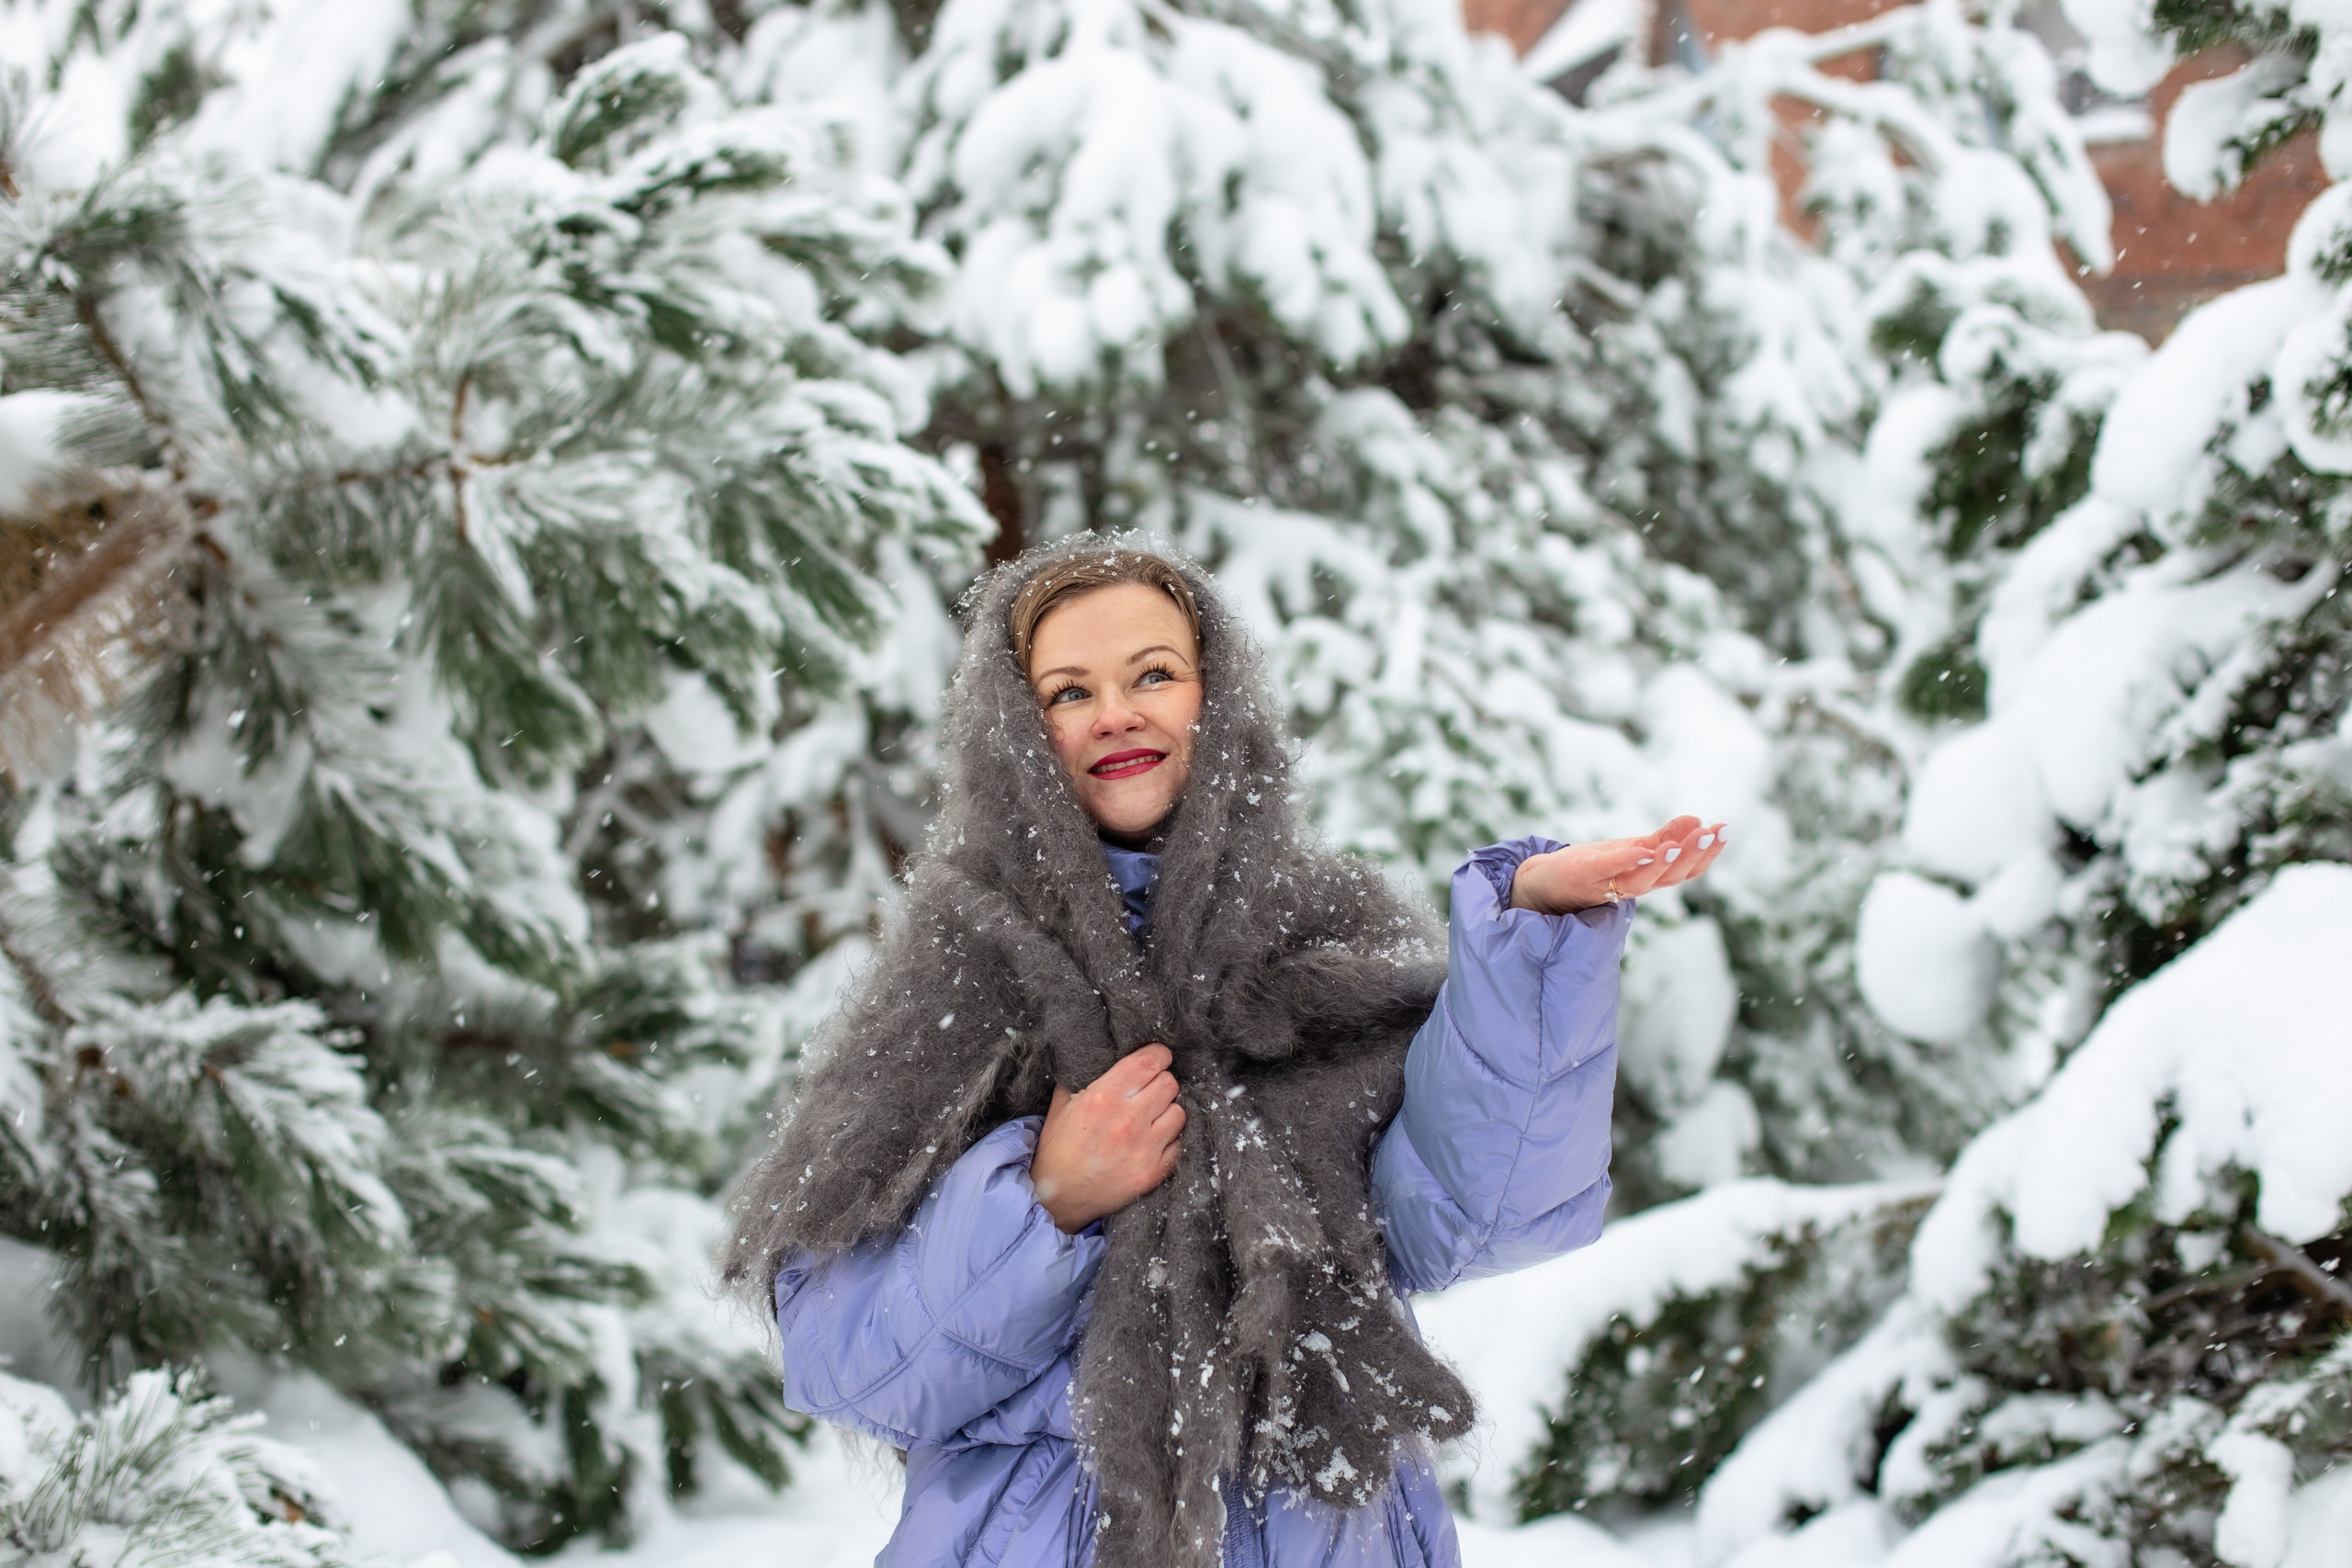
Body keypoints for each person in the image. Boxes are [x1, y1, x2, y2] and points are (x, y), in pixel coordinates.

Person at [718, 536, 1725, 1568]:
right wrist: (1043, 1204)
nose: (1117, 712)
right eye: (1069, 691)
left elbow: (1483, 1219)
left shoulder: (1323, 943)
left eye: (1153, 673)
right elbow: (848, 1366)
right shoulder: (954, 978)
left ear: (1219, 695)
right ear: (1014, 731)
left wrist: (1530, 942)